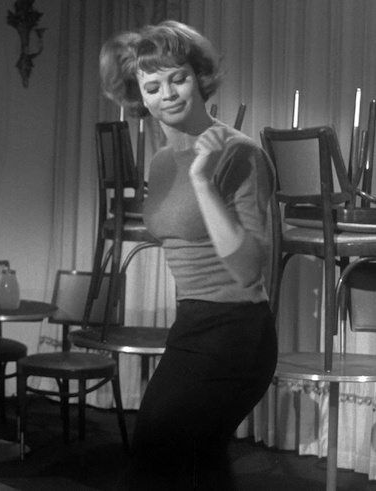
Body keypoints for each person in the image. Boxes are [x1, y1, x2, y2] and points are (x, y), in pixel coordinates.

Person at [100, 21, 277, 489]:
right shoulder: (161, 161)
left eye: (177, 78)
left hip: (237, 331)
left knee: (159, 454)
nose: (168, 94)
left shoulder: (240, 153)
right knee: (192, 464)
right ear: (139, 97)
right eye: (152, 87)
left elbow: (248, 270)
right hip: (192, 323)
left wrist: (203, 181)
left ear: (198, 77)